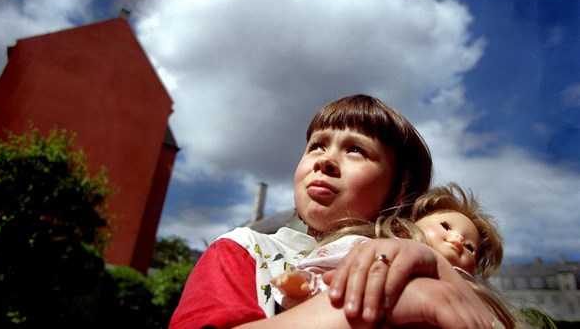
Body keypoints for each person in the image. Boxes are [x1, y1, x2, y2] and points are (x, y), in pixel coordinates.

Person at [169, 94, 495, 328]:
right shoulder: (245, 250)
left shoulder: (431, 267)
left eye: (356, 150)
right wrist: (401, 301)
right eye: (317, 145)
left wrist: (436, 266)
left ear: (400, 189)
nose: (324, 160)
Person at [270, 182, 518, 328]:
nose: (456, 240)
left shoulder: (471, 293)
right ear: (406, 227)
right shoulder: (370, 248)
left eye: (470, 247)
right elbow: (334, 273)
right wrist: (305, 284)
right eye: (445, 226)